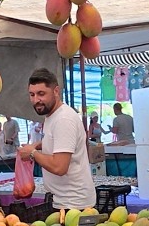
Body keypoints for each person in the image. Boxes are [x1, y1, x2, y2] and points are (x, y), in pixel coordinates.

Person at [18, 69, 95, 209]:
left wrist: (32, 153)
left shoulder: (63, 119)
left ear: (56, 91)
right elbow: (59, 140)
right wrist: (38, 145)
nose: (36, 100)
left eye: (41, 94)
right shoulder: (52, 115)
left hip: (73, 205)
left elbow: (59, 167)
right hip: (63, 201)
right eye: (32, 94)